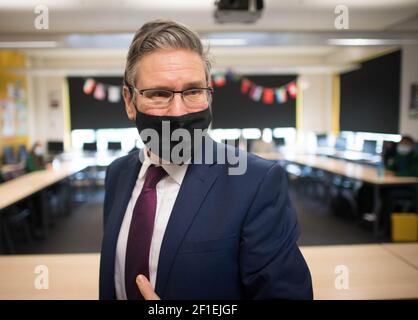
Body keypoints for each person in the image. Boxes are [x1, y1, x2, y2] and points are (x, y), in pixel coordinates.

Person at [99, 20, 313, 300]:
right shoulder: (118, 174)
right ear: (129, 101)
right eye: (160, 94)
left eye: (193, 92)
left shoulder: (255, 182)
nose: (178, 111)